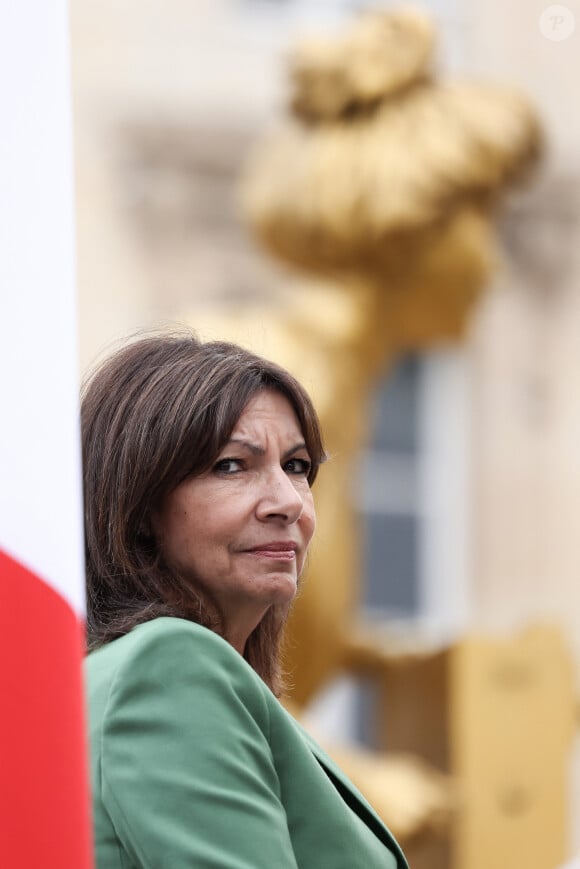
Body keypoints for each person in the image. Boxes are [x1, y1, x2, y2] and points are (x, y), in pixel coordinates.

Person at [82, 331, 408, 869]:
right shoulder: (168, 668)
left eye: (298, 467)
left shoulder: (128, 672)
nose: (286, 502)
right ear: (139, 507)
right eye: (232, 465)